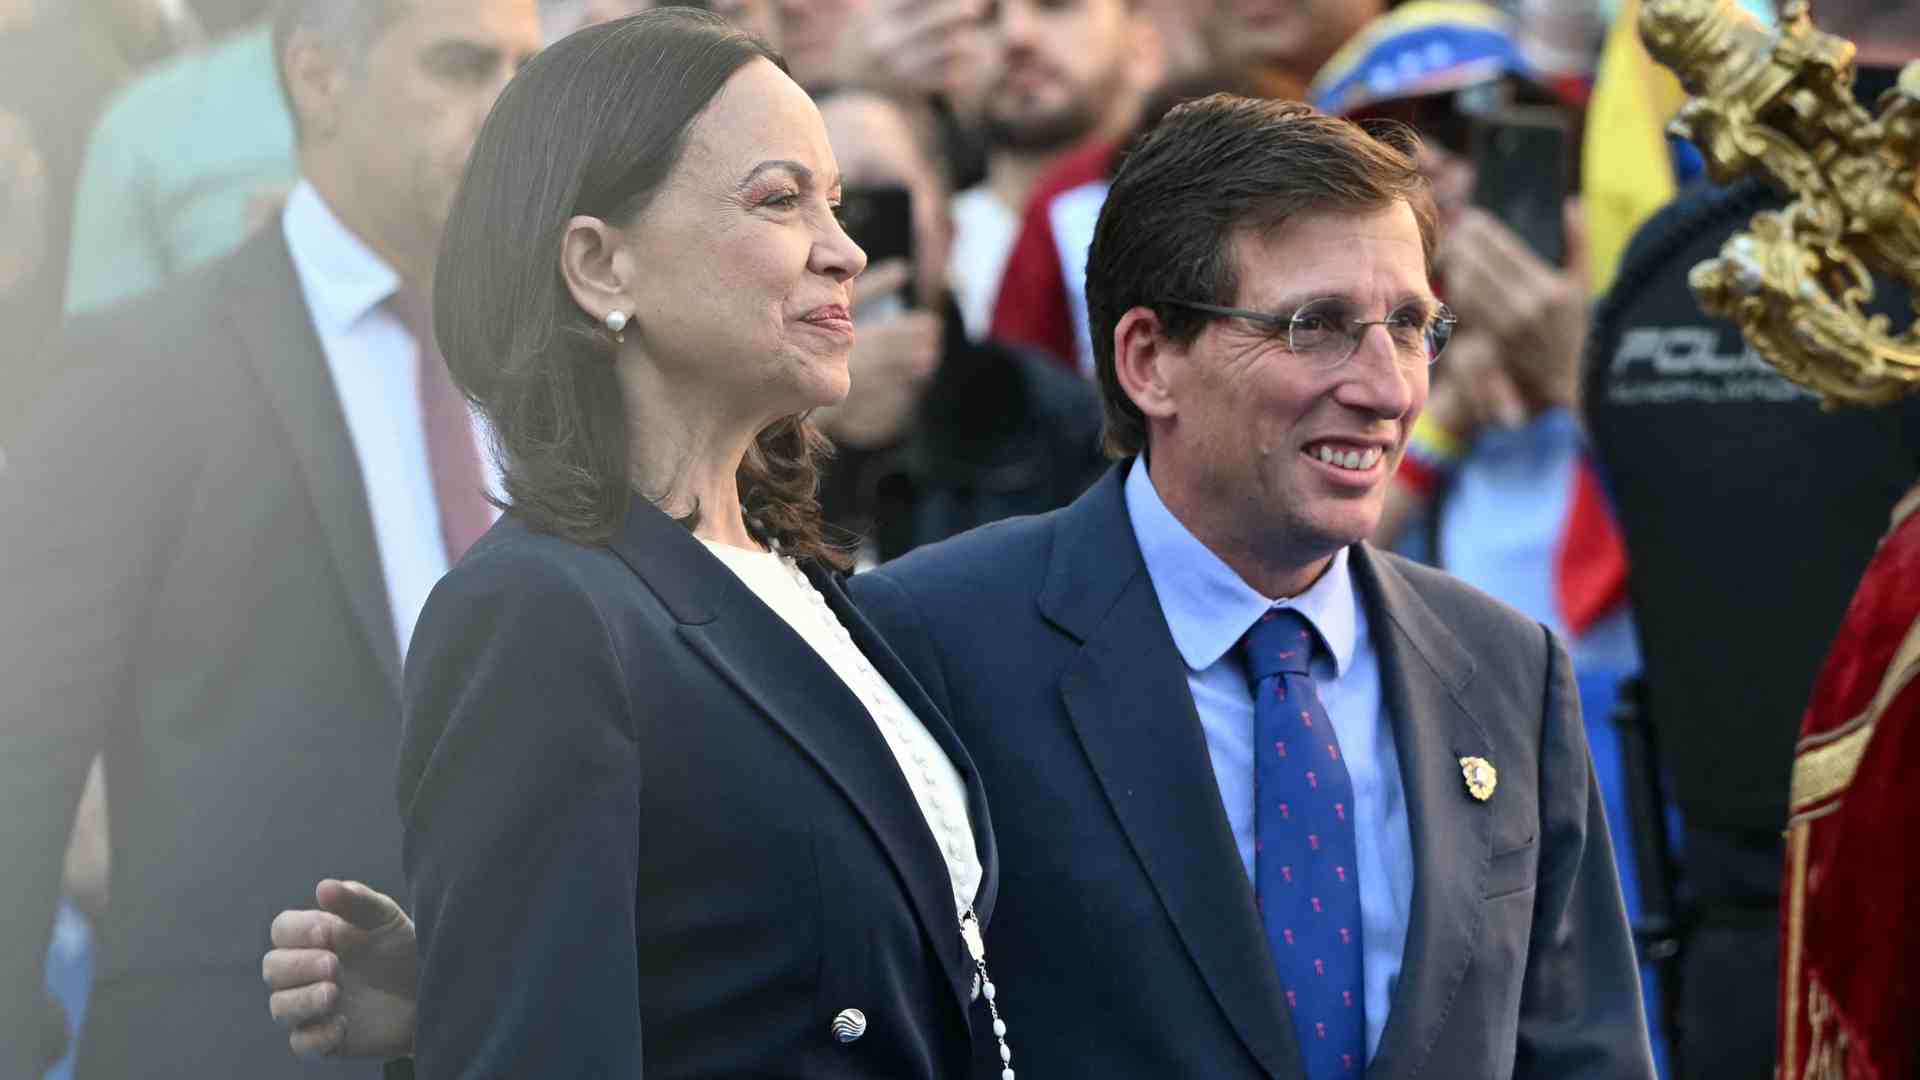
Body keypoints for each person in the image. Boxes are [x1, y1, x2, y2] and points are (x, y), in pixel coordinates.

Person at [268, 94, 1653, 1078]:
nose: (1385, 379)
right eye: (1313, 326)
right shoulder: (926, 638)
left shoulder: (1502, 668)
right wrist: (465, 1000)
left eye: (1411, 325)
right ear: (1149, 360)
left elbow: (1574, 1047)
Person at [410, 10, 1014, 1076]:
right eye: (781, 200)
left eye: (834, 201)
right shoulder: (542, 613)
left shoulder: (806, 583)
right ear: (601, 266)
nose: (847, 251)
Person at [0, 1, 542, 1076]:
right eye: (460, 65)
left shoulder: (569, 369)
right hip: (241, 1042)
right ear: (319, 76)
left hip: (530, 1030)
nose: (507, 108)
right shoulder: (144, 372)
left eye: (528, 70)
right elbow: (23, 751)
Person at [811, 85, 1106, 565]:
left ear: (948, 226)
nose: (845, 242)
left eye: (877, 195)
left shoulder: (1057, 416)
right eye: (804, 201)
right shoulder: (736, 435)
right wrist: (799, 433)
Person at [945, 0, 1161, 339]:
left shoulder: (1214, 226)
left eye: (1055, 5)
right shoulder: (920, 253)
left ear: (1144, 44)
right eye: (985, 15)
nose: (1017, 36)